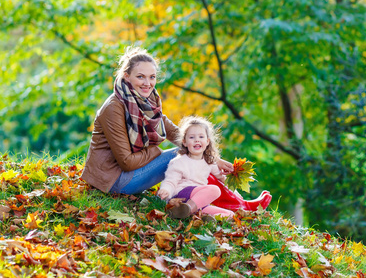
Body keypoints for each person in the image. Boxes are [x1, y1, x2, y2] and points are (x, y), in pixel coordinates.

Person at [80, 46, 272, 211]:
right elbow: (127, 162)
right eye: (140, 77)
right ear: (126, 76)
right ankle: (240, 206)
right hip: (113, 181)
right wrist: (157, 152)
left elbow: (173, 131)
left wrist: (214, 159)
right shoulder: (114, 107)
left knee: (192, 154)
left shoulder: (145, 101)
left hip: (128, 174)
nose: (147, 83)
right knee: (182, 156)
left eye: (152, 77)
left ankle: (234, 202)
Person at [157, 116, 234, 219]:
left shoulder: (209, 162)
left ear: (207, 141)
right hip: (182, 197)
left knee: (230, 215)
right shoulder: (179, 162)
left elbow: (222, 178)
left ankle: (204, 218)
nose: (197, 140)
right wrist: (166, 190)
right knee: (214, 190)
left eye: (201, 137)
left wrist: (235, 192)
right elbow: (171, 181)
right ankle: (185, 208)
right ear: (184, 142)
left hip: (199, 202)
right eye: (192, 137)